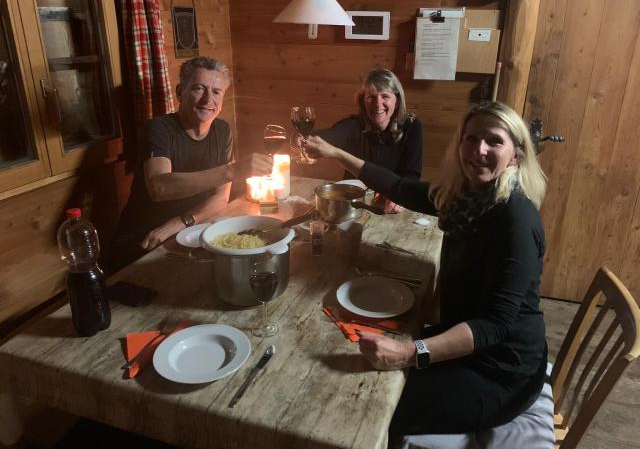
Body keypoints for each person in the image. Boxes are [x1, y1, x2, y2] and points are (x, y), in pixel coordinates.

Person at [303, 101, 548, 445]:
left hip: (501, 371)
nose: (479, 149)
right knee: (362, 374)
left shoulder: (515, 219)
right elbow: (398, 187)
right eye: (471, 138)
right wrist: (336, 153)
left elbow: (495, 325)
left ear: (516, 156)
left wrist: (408, 353)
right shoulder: (467, 197)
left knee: (370, 406)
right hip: (468, 344)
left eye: (494, 141)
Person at [111, 57, 272, 272]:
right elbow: (160, 187)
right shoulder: (160, 128)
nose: (208, 99)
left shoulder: (222, 130)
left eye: (216, 92)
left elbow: (220, 198)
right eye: (199, 88)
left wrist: (179, 223)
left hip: (187, 232)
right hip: (144, 240)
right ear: (180, 93)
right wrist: (233, 170)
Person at [309, 68, 422, 214]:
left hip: (390, 206)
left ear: (397, 100)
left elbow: (412, 174)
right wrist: (304, 139)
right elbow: (329, 136)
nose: (378, 104)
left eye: (385, 96)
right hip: (353, 204)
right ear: (363, 101)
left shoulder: (411, 126)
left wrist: (402, 195)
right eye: (371, 97)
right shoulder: (353, 124)